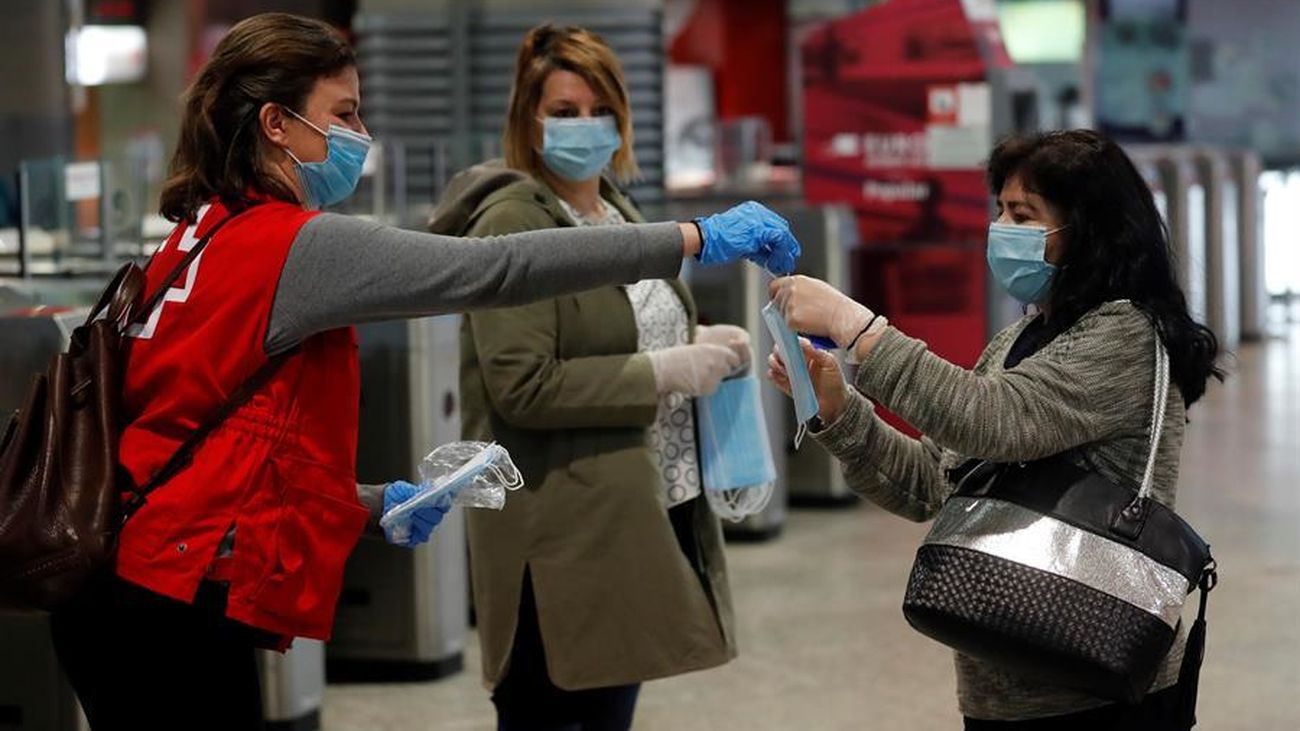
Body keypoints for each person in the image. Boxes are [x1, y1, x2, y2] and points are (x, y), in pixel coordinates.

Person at [46, 13, 799, 730]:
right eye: (342, 115)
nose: (360, 136)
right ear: (276, 124)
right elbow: (495, 270)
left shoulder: (196, 238)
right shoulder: (290, 246)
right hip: (166, 602)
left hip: (126, 588)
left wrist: (371, 503)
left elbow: (206, 444)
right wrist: (693, 235)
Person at [766, 130, 1221, 730]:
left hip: (1102, 690)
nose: (1001, 227)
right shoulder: (1019, 339)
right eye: (1000, 210)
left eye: (1023, 214)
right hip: (1001, 681)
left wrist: (858, 328)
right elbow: (928, 483)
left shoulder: (1125, 335)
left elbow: (995, 420)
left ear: (1086, 229)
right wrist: (841, 413)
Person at [430, 24, 744, 730]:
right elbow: (523, 385)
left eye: (599, 110)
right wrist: (662, 370)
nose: (586, 127)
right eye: (564, 111)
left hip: (631, 515)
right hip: (558, 535)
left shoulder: (612, 209)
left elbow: (621, 325)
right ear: (527, 121)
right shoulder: (512, 222)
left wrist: (697, 341)